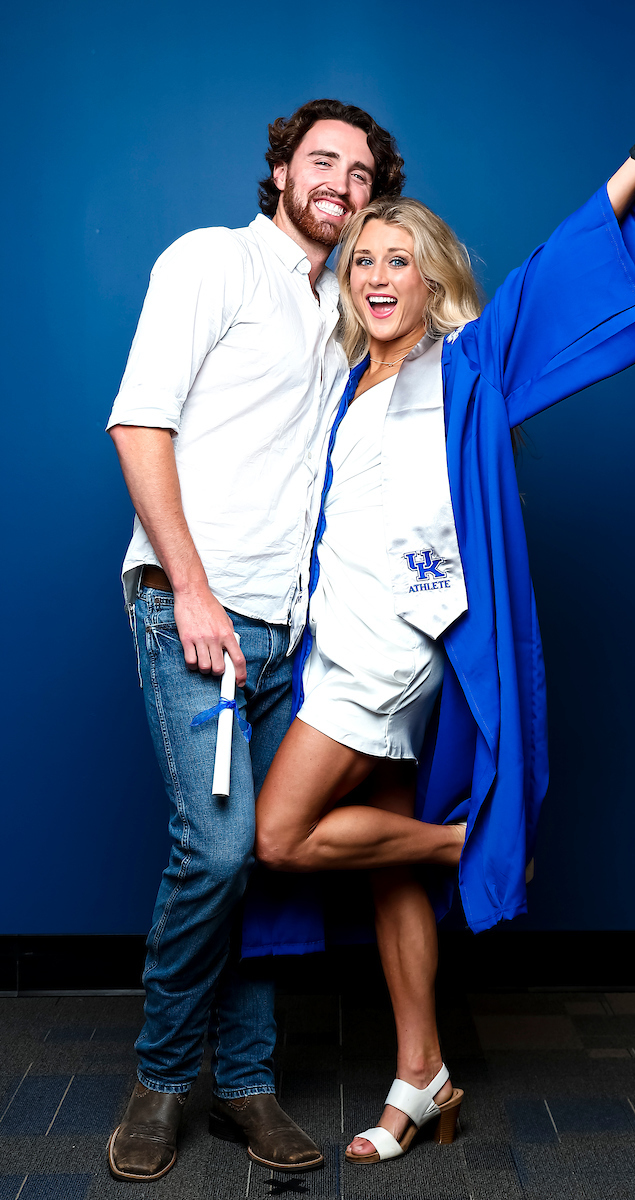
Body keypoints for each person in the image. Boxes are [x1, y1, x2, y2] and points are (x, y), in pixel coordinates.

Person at [248, 103, 635, 1163]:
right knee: (385, 881)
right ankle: (421, 1074)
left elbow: (558, 271)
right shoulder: (349, 385)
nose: (378, 274)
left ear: (432, 281)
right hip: (336, 649)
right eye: (363, 260)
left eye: (401, 260)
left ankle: (466, 843)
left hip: (389, 656)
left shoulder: (466, 368)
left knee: (279, 838)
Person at [104, 98, 404, 1182]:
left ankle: (248, 1084)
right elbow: (141, 422)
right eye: (321, 160)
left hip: (296, 634)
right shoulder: (211, 263)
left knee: (273, 863)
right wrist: (191, 590)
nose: (341, 181)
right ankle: (161, 1078)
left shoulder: (345, 310)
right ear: (280, 169)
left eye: (362, 173)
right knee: (220, 849)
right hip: (198, 613)